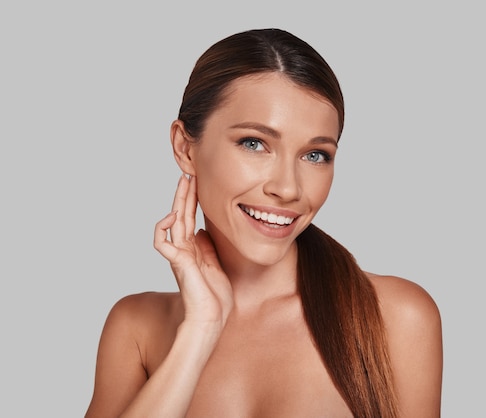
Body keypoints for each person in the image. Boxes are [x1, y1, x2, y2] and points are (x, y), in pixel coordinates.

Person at [85, 28, 443, 418]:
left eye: (316, 155)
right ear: (185, 148)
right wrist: (200, 330)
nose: (288, 188)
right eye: (254, 143)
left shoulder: (396, 317)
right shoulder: (137, 329)